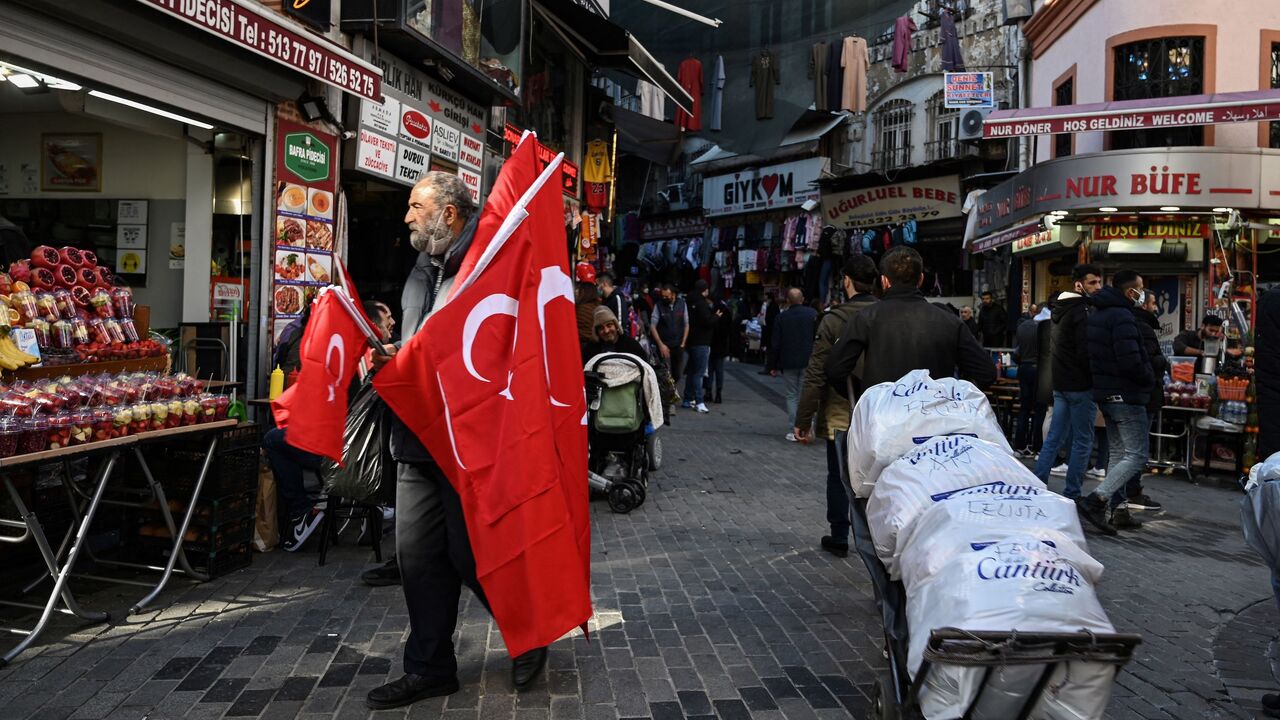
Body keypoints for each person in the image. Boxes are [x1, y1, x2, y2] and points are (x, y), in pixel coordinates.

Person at [366, 172, 547, 710]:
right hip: (416, 436)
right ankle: (429, 670)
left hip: (468, 439)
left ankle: (529, 628)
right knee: (417, 559)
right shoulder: (424, 265)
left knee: (471, 556)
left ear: (449, 213)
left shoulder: (486, 264)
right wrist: (389, 353)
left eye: (416, 206)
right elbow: (425, 343)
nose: (406, 217)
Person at [794, 256, 878, 558]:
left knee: (839, 474)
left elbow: (816, 372)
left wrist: (803, 418)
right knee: (878, 476)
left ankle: (840, 533)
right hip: (883, 411)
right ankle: (877, 537)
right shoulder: (886, 315)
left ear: (846, 281)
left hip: (841, 410)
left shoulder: (833, 319)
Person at [826, 247, 995, 393]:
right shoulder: (949, 320)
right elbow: (986, 373)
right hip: (933, 422)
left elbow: (834, 369)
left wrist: (867, 395)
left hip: (882, 423)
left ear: (884, 281)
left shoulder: (865, 318)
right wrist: (950, 396)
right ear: (920, 279)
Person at [1077, 270, 1153, 535]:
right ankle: (1096, 501)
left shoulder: (1098, 314)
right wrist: (1147, 378)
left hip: (1107, 393)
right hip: (1126, 394)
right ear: (1130, 291)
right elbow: (1130, 359)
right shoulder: (1122, 316)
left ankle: (1108, 510)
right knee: (1137, 454)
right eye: (1140, 288)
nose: (1142, 293)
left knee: (1119, 453)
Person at [1033, 264, 1103, 498]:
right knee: (1083, 441)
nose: (1098, 287)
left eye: (1099, 282)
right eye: (1092, 282)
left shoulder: (1058, 309)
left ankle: (1037, 485)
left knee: (1054, 438)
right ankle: (1072, 492)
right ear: (1079, 285)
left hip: (1060, 384)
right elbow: (1086, 351)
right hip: (1080, 385)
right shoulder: (1082, 310)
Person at [1120, 279, 1167, 521]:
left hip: (1139, 394)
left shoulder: (1136, 324)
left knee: (1127, 450)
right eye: (1153, 303)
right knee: (1135, 451)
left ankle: (1123, 495)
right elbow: (1146, 361)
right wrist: (1162, 365)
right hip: (1142, 395)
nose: (1156, 307)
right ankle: (1127, 493)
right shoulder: (1142, 327)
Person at [770, 287, 818, 440]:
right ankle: (806, 427)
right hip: (808, 360)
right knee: (806, 394)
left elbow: (775, 343)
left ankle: (793, 428)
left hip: (788, 361)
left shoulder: (782, 317)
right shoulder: (813, 315)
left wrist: (773, 365)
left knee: (791, 395)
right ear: (802, 299)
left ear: (788, 301)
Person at [1013, 304, 1050, 456]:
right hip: (1040, 370)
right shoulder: (1044, 327)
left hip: (1024, 368)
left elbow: (1017, 352)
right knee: (1040, 410)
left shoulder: (1022, 327)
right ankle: (1037, 446)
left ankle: (1020, 445)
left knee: (1024, 408)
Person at [681, 280, 715, 413]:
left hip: (690, 340)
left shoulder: (688, 302)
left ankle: (687, 399)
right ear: (704, 290)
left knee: (692, 372)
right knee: (699, 373)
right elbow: (707, 321)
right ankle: (699, 401)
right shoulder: (702, 304)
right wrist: (716, 317)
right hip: (702, 341)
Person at [649, 283, 688, 387]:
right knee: (663, 372)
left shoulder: (682, 304)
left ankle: (671, 391)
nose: (664, 298)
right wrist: (661, 345)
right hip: (663, 344)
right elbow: (653, 326)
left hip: (678, 344)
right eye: (663, 296)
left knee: (677, 373)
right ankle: (665, 397)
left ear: (673, 295)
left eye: (667, 296)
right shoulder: (659, 305)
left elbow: (686, 324)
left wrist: (683, 343)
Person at [582, 305, 646, 362]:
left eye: (609, 325)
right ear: (597, 332)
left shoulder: (631, 345)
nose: (606, 331)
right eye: (601, 328)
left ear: (616, 326)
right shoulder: (590, 350)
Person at [707, 294, 734, 404]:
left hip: (710, 344)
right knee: (719, 370)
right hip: (721, 345)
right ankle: (718, 393)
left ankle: (708, 392)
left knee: (709, 370)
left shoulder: (712, 311)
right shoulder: (726, 311)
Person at [575, 265, 601, 346]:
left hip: (580, 345)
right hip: (596, 345)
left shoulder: (578, 309)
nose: (576, 292)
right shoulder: (599, 308)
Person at [597, 272, 629, 337]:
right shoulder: (604, 300)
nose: (597, 288)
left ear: (604, 284)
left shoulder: (617, 298)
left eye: (598, 285)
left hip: (616, 339)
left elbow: (621, 322)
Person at [760, 291, 780, 373]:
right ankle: (768, 367)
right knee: (769, 350)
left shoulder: (772, 306)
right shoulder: (767, 305)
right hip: (768, 331)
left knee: (770, 350)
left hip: (770, 331)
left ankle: (769, 368)